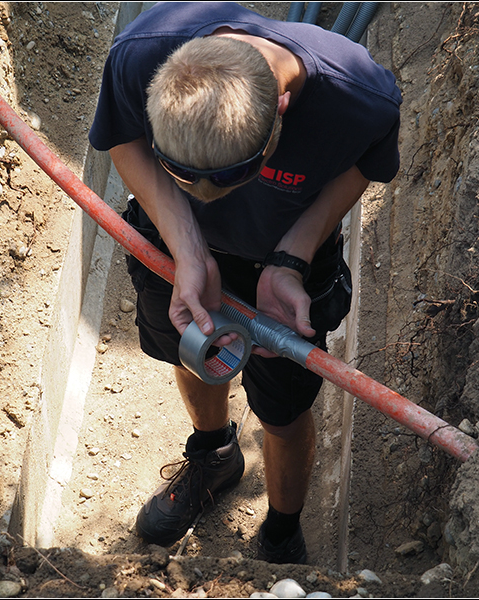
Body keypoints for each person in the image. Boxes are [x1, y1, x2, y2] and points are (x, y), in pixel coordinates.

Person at [88, 2, 401, 564]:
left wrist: (292, 257)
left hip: (283, 276)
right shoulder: (140, 54)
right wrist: (187, 245)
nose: (206, 192)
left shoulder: (360, 97)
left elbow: (364, 168)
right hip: (173, 249)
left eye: (233, 177)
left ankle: (282, 530)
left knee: (283, 409)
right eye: (185, 173)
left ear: (282, 109)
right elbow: (122, 140)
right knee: (193, 353)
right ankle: (214, 455)